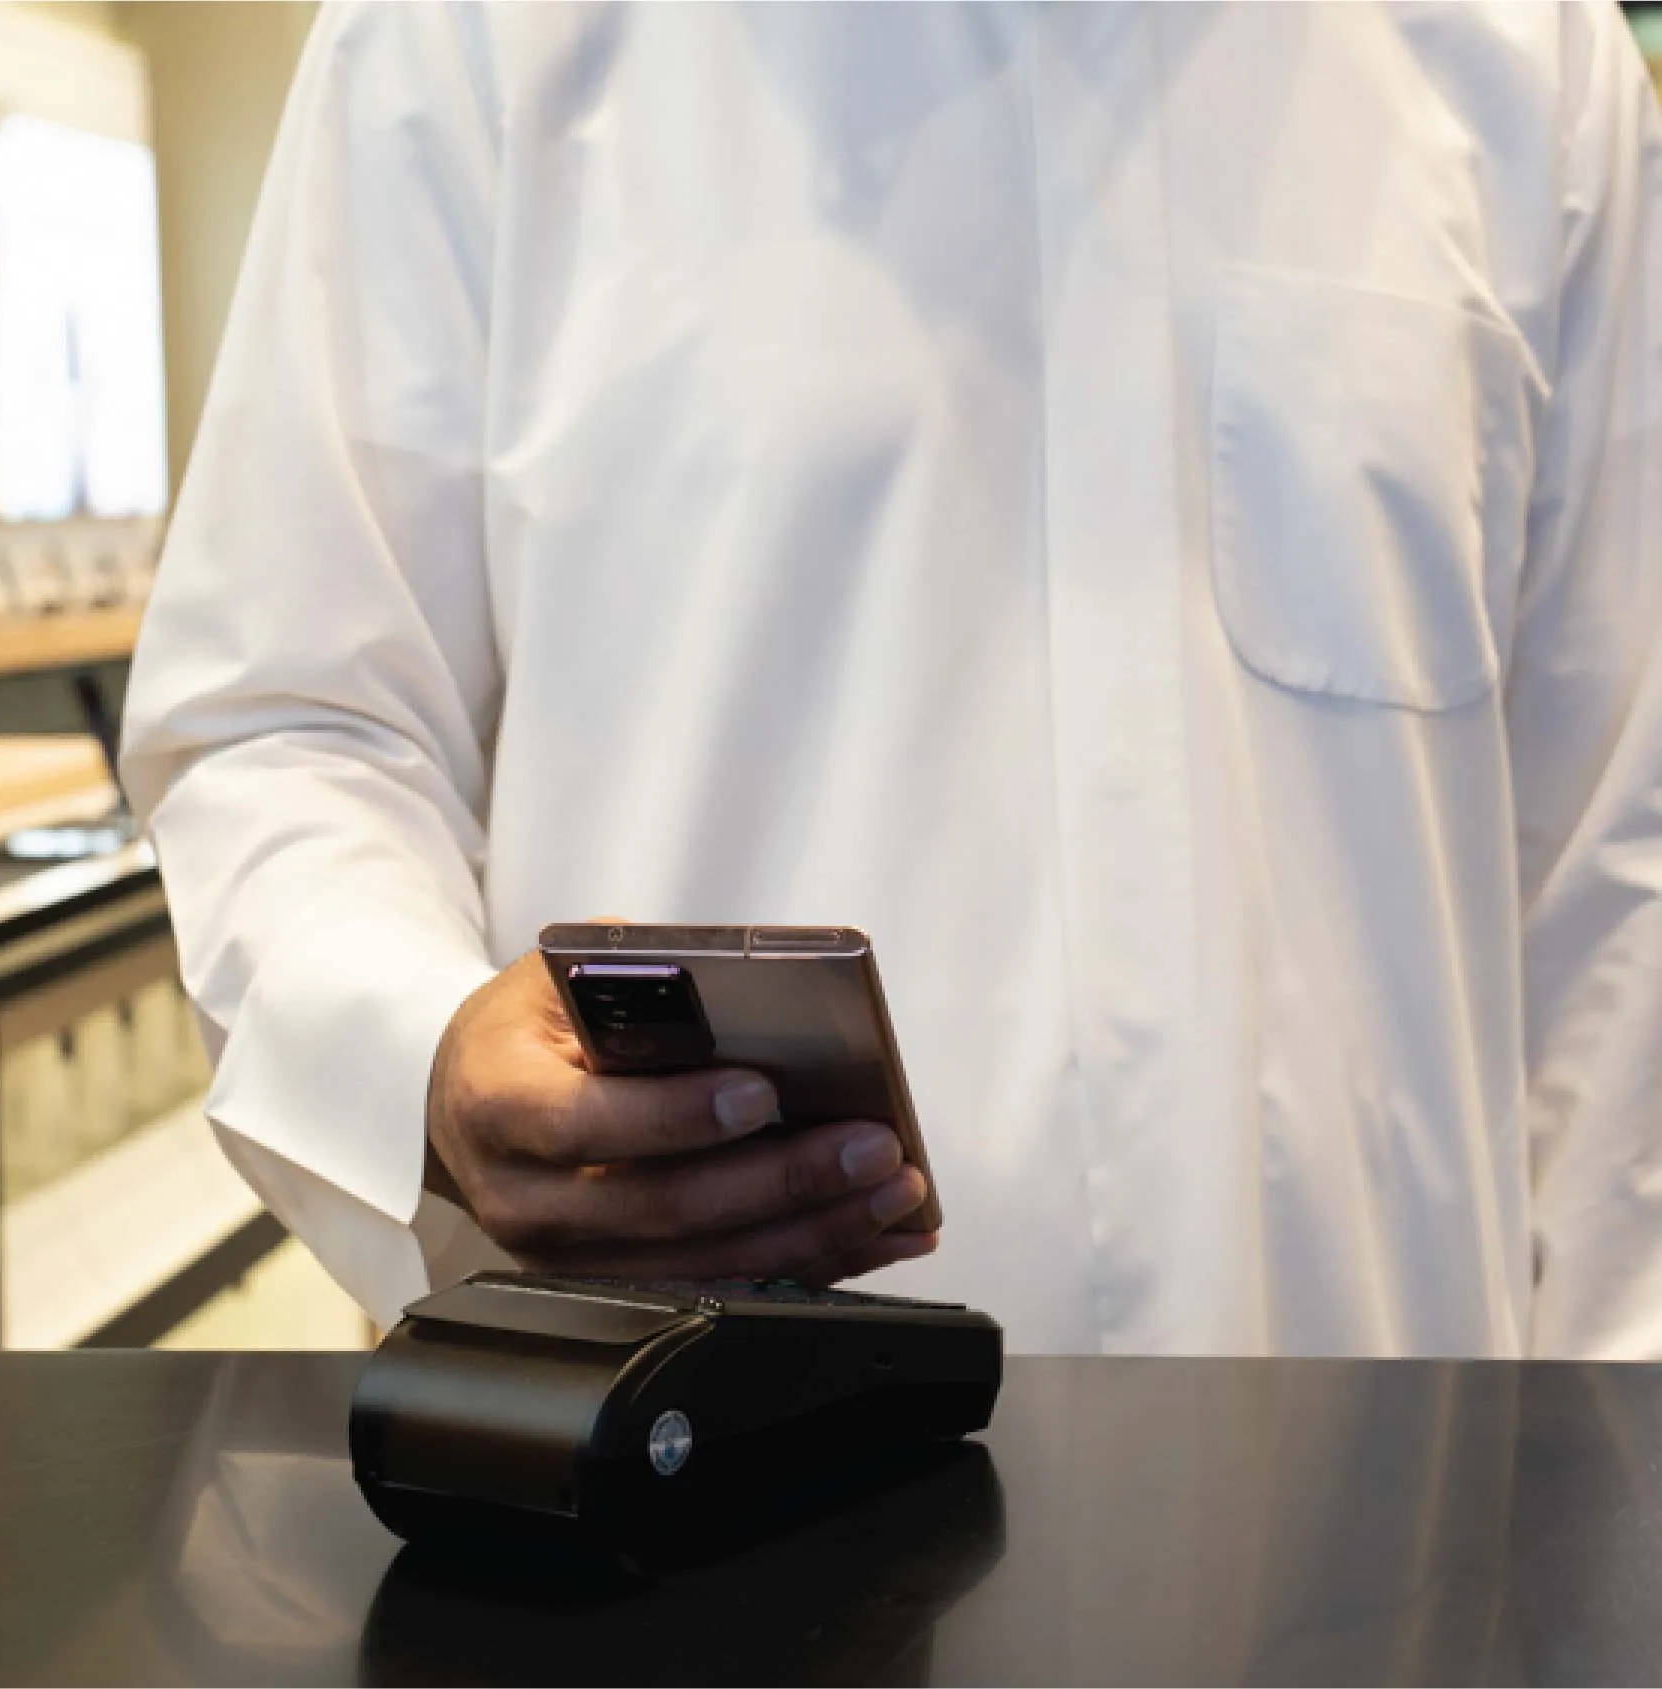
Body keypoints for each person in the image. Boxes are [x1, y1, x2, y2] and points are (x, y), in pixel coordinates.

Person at [122, 3, 1662, 1357]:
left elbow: (1620, 869)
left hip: (1393, 1513)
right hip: (693, 1507)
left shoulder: (1526, 65)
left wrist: (1607, 1520)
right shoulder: (472, 36)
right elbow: (293, 723)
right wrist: (418, 1059)